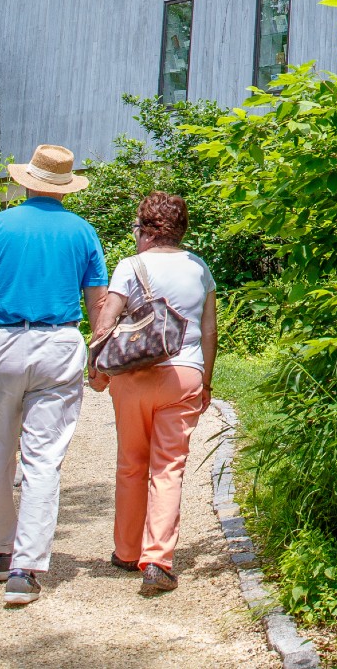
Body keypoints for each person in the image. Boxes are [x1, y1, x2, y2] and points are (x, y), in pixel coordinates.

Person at [0, 144, 108, 608]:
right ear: (66, 187)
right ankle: (27, 569)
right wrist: (99, 355)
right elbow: (98, 303)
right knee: (43, 458)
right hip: (59, 344)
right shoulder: (84, 232)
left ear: (28, 181)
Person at [87, 191, 218, 597]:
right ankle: (158, 560)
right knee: (168, 467)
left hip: (134, 376)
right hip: (184, 375)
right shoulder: (200, 268)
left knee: (131, 463)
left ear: (144, 228)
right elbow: (210, 331)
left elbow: (106, 321)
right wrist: (207, 381)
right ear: (181, 229)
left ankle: (127, 552)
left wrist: (97, 368)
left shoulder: (131, 265)